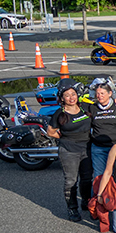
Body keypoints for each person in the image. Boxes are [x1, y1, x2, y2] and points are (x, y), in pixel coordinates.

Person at [47, 79, 92, 222]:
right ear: (61, 98)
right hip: (69, 150)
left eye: (73, 94)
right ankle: (72, 208)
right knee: (71, 181)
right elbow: (50, 131)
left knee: (86, 178)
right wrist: (63, 137)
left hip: (87, 148)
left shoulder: (85, 107)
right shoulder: (59, 113)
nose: (71, 98)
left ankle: (86, 201)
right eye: (67, 95)